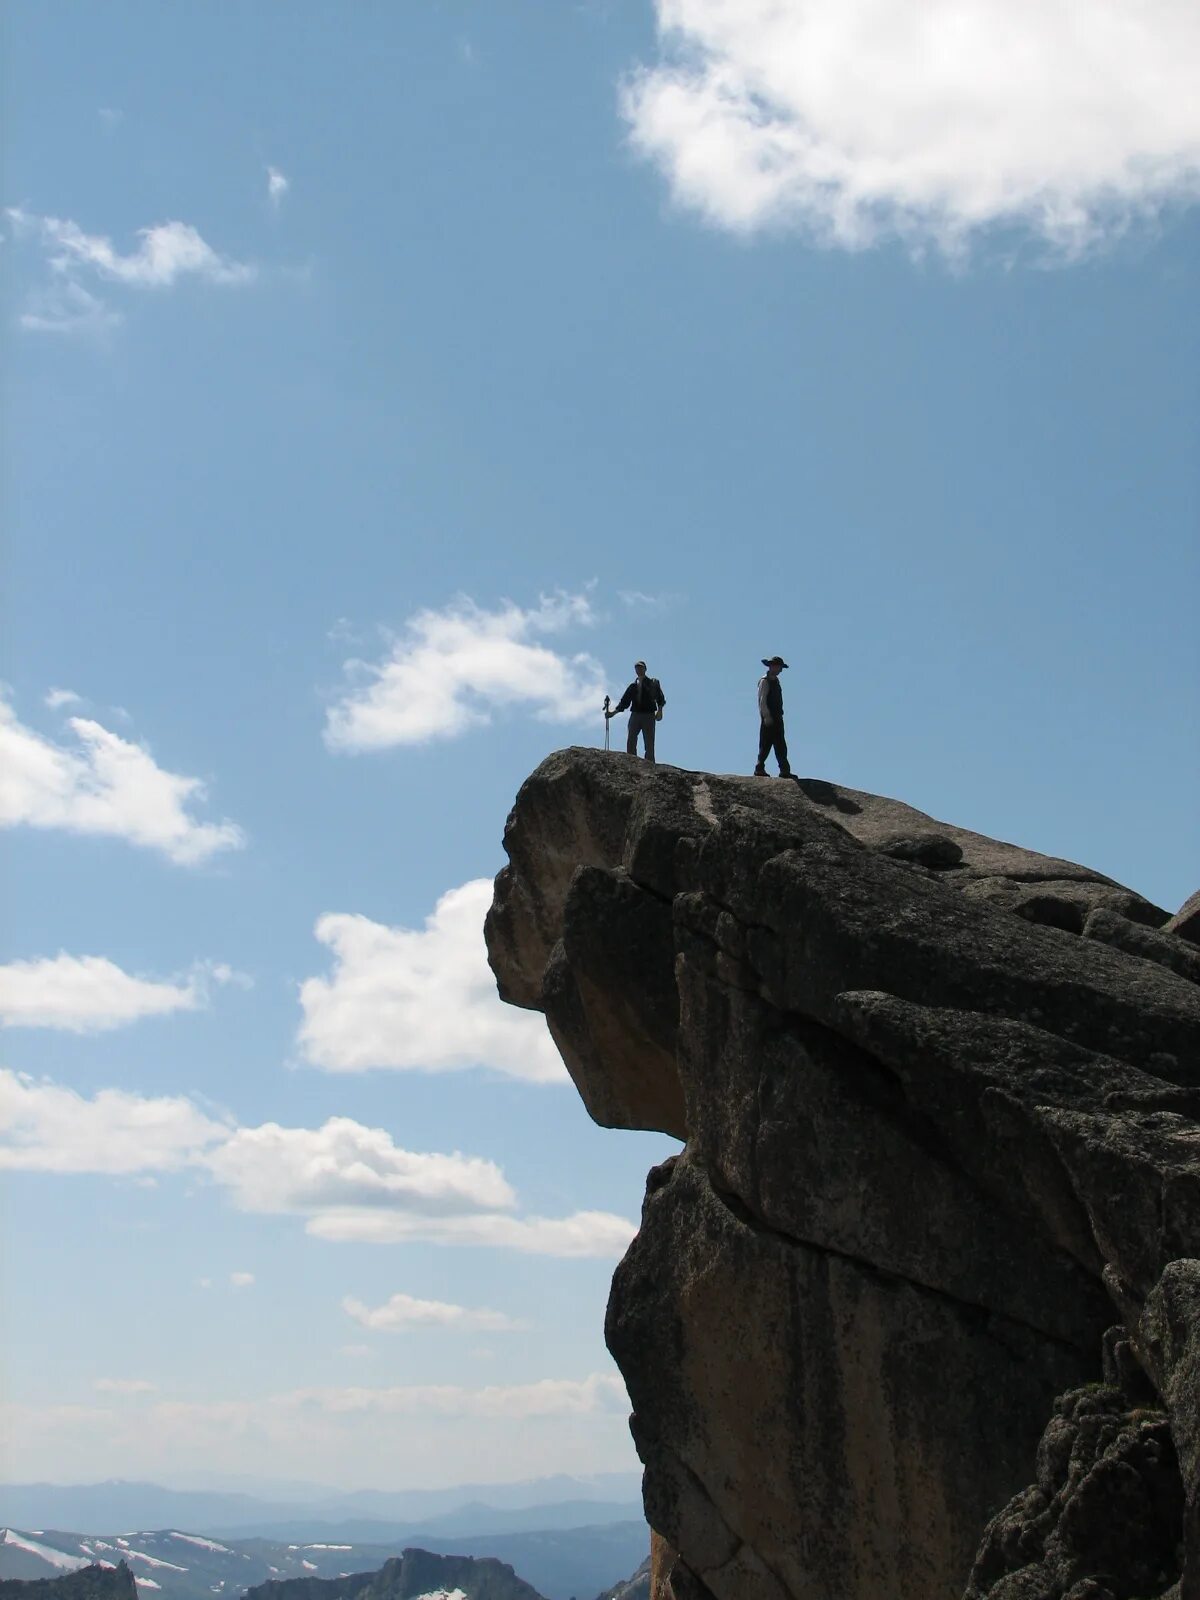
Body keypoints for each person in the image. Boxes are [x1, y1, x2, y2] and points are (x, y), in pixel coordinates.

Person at [607, 660, 666, 762]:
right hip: (635, 714)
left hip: (648, 714)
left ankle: (649, 763)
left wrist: (660, 711)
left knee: (649, 741)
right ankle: (631, 760)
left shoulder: (653, 683)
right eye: (637, 668)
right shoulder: (633, 686)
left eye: (641, 667)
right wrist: (613, 713)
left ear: (645, 669)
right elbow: (624, 702)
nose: (639, 670)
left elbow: (660, 698)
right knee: (631, 738)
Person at [755, 655, 791, 777]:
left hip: (777, 717)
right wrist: (766, 716)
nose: (780, 670)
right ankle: (759, 767)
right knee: (765, 744)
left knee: (780, 745)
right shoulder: (765, 681)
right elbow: (762, 700)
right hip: (769, 718)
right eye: (779, 667)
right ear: (773, 667)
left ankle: (784, 770)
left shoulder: (776, 681)